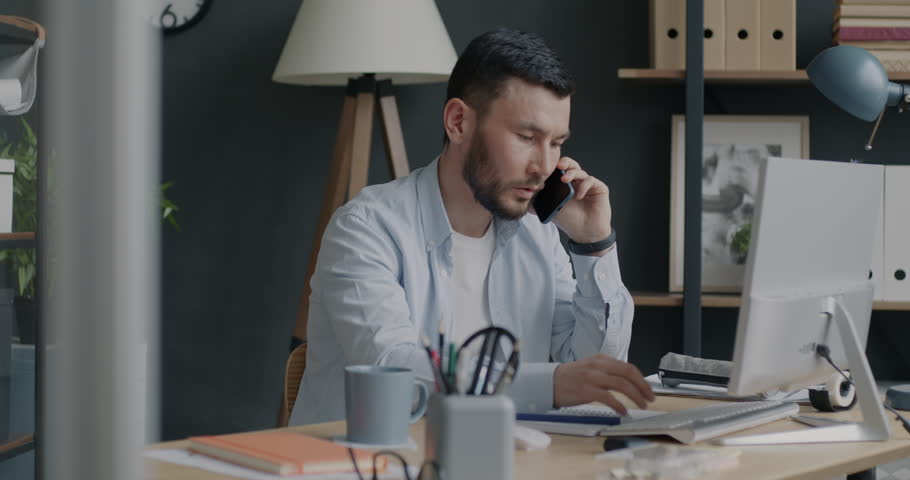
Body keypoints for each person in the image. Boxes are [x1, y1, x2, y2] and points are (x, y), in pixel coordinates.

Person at [290, 28, 654, 426]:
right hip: (369, 456)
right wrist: (549, 384)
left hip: (500, 453)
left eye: (556, 143)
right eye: (526, 137)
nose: (544, 166)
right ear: (458, 122)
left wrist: (593, 244)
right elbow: (393, 368)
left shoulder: (539, 234)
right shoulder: (364, 229)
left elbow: (595, 375)